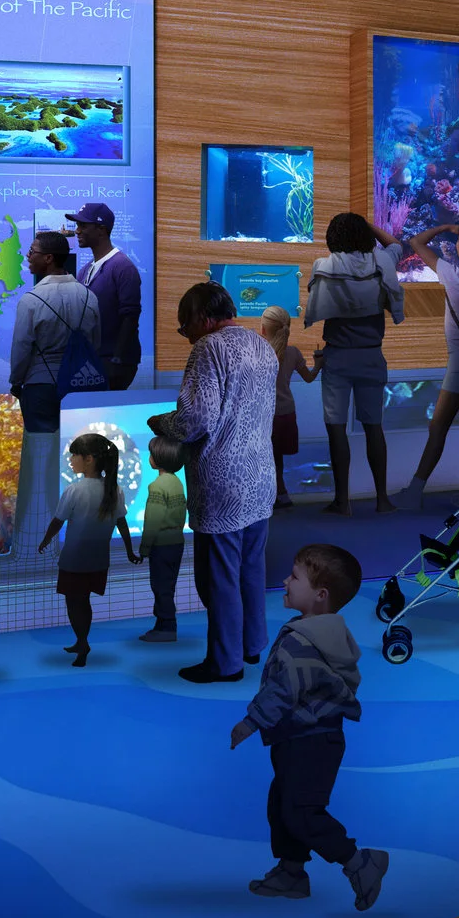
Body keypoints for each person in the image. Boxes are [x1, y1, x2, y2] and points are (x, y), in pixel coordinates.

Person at [229, 543, 389, 911]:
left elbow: (283, 689)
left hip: (311, 741)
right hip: (299, 737)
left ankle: (359, 862)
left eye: (294, 576)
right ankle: (291, 872)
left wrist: (250, 722)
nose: (286, 581)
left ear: (320, 595)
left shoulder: (303, 642)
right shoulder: (320, 630)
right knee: (283, 805)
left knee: (301, 811)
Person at [154, 282, 278, 683]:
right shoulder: (262, 346)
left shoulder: (208, 348)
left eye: (184, 325)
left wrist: (162, 423)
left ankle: (225, 663)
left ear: (203, 318)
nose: (186, 335)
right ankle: (251, 645)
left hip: (222, 481)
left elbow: (196, 420)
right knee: (251, 569)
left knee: (219, 577)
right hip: (260, 474)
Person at [304, 214, 406, 515]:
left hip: (337, 356)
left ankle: (342, 501)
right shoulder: (381, 262)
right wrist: (367, 225)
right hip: (371, 355)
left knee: (336, 428)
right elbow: (396, 244)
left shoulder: (325, 266)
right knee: (374, 427)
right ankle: (382, 499)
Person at [395, 222, 459, 510]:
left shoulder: (453, 276)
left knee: (437, 426)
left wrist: (447, 226)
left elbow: (416, 242)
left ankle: (414, 493)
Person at [37, 433, 136, 667]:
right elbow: (122, 524)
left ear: (89, 459)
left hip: (74, 560)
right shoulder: (115, 490)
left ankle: (82, 643)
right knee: (85, 601)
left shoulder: (74, 490)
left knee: (74, 603)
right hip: (99, 560)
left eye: (74, 455)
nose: (71, 460)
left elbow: (58, 521)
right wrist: (130, 551)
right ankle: (82, 640)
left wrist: (45, 541)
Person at [7, 229, 105, 429]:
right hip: (83, 383)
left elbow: (21, 348)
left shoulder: (30, 300)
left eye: (32, 251)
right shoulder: (89, 296)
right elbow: (95, 343)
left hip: (41, 386)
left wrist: (16, 382)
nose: (28, 256)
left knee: (43, 444)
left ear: (48, 258)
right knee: (79, 439)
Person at [72, 202, 143, 392]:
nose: (77, 231)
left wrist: (117, 359)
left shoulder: (123, 267)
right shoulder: (85, 270)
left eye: (83, 225)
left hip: (113, 363)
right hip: (91, 361)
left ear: (101, 229)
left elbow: (130, 316)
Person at [260, 307, 314, 510]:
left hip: (265, 415)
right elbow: (309, 378)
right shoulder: (293, 352)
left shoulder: (259, 352)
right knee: (278, 457)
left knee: (267, 458)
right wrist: (319, 364)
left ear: (263, 329)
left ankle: (274, 495)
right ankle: (281, 494)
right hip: (287, 413)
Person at [140, 435, 189, 644]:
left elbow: (153, 520)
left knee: (160, 586)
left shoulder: (157, 486)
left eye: (151, 454)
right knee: (168, 585)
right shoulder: (177, 482)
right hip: (177, 542)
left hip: (161, 545)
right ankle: (163, 624)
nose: (149, 457)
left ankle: (166, 626)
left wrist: (144, 547)